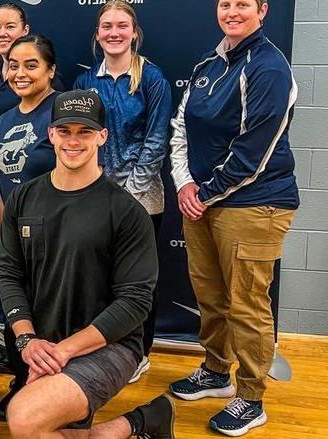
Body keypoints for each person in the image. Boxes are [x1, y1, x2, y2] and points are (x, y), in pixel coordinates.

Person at [0, 90, 174, 438]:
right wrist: (27, 340)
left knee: (24, 419)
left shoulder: (126, 211)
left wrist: (62, 352)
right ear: (51, 135)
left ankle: (131, 424)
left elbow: (135, 303)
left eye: (85, 132)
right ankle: (139, 424)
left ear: (102, 137)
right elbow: (8, 273)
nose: (73, 141)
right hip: (42, 342)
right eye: (65, 131)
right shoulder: (23, 198)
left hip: (109, 346)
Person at [168, 0, 299, 436]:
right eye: (226, 3)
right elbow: (181, 128)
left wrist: (203, 193)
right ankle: (216, 371)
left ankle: (251, 397)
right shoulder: (210, 63)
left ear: (262, 10)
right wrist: (185, 184)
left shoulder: (269, 67)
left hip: (256, 203)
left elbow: (254, 152)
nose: (232, 11)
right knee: (210, 295)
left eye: (243, 3)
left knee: (247, 305)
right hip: (203, 201)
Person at [73, 0, 172, 384]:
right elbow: (81, 138)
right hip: (95, 193)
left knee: (137, 280)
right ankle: (102, 346)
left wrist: (128, 194)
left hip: (142, 198)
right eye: (107, 26)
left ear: (134, 32)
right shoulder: (86, 83)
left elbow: (156, 139)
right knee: (99, 276)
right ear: (98, 34)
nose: (114, 33)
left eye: (122, 26)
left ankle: (140, 351)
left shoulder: (152, 78)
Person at [0, 33, 60, 421]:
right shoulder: (1, 121)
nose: (20, 73)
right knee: (18, 312)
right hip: (15, 238)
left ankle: (54, 389)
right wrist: (5, 235)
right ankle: (21, 380)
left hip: (57, 236)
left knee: (53, 314)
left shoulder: (61, 113)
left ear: (50, 70)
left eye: (31, 65)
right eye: (14, 65)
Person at [0, 4, 65, 178]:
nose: (2, 33)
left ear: (25, 30)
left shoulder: (48, 83)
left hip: (34, 181)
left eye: (10, 26)